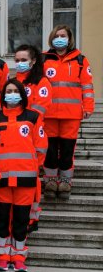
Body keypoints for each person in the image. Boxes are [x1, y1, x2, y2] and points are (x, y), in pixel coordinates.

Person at [0, 79, 47, 272]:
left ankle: (19, 255)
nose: (11, 94)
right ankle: (3, 255)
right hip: (2, 179)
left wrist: (33, 166)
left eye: (15, 90)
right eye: (8, 90)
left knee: (22, 219)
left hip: (26, 178)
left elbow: (40, 146)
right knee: (2, 218)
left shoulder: (33, 116)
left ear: (22, 94)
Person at [42, 25, 94, 200]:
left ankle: (65, 181)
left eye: (63, 35)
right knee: (49, 149)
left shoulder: (80, 60)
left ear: (69, 38)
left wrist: (88, 107)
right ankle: (49, 180)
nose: (59, 38)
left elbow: (87, 86)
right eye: (56, 35)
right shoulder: (43, 59)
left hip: (71, 115)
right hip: (48, 114)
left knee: (67, 150)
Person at [13, 44, 52, 232]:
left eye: (24, 60)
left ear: (33, 61)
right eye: (17, 60)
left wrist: (26, 121)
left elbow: (41, 106)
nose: (20, 63)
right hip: (14, 134)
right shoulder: (13, 82)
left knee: (33, 178)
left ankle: (32, 217)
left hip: (33, 133)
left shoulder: (41, 81)